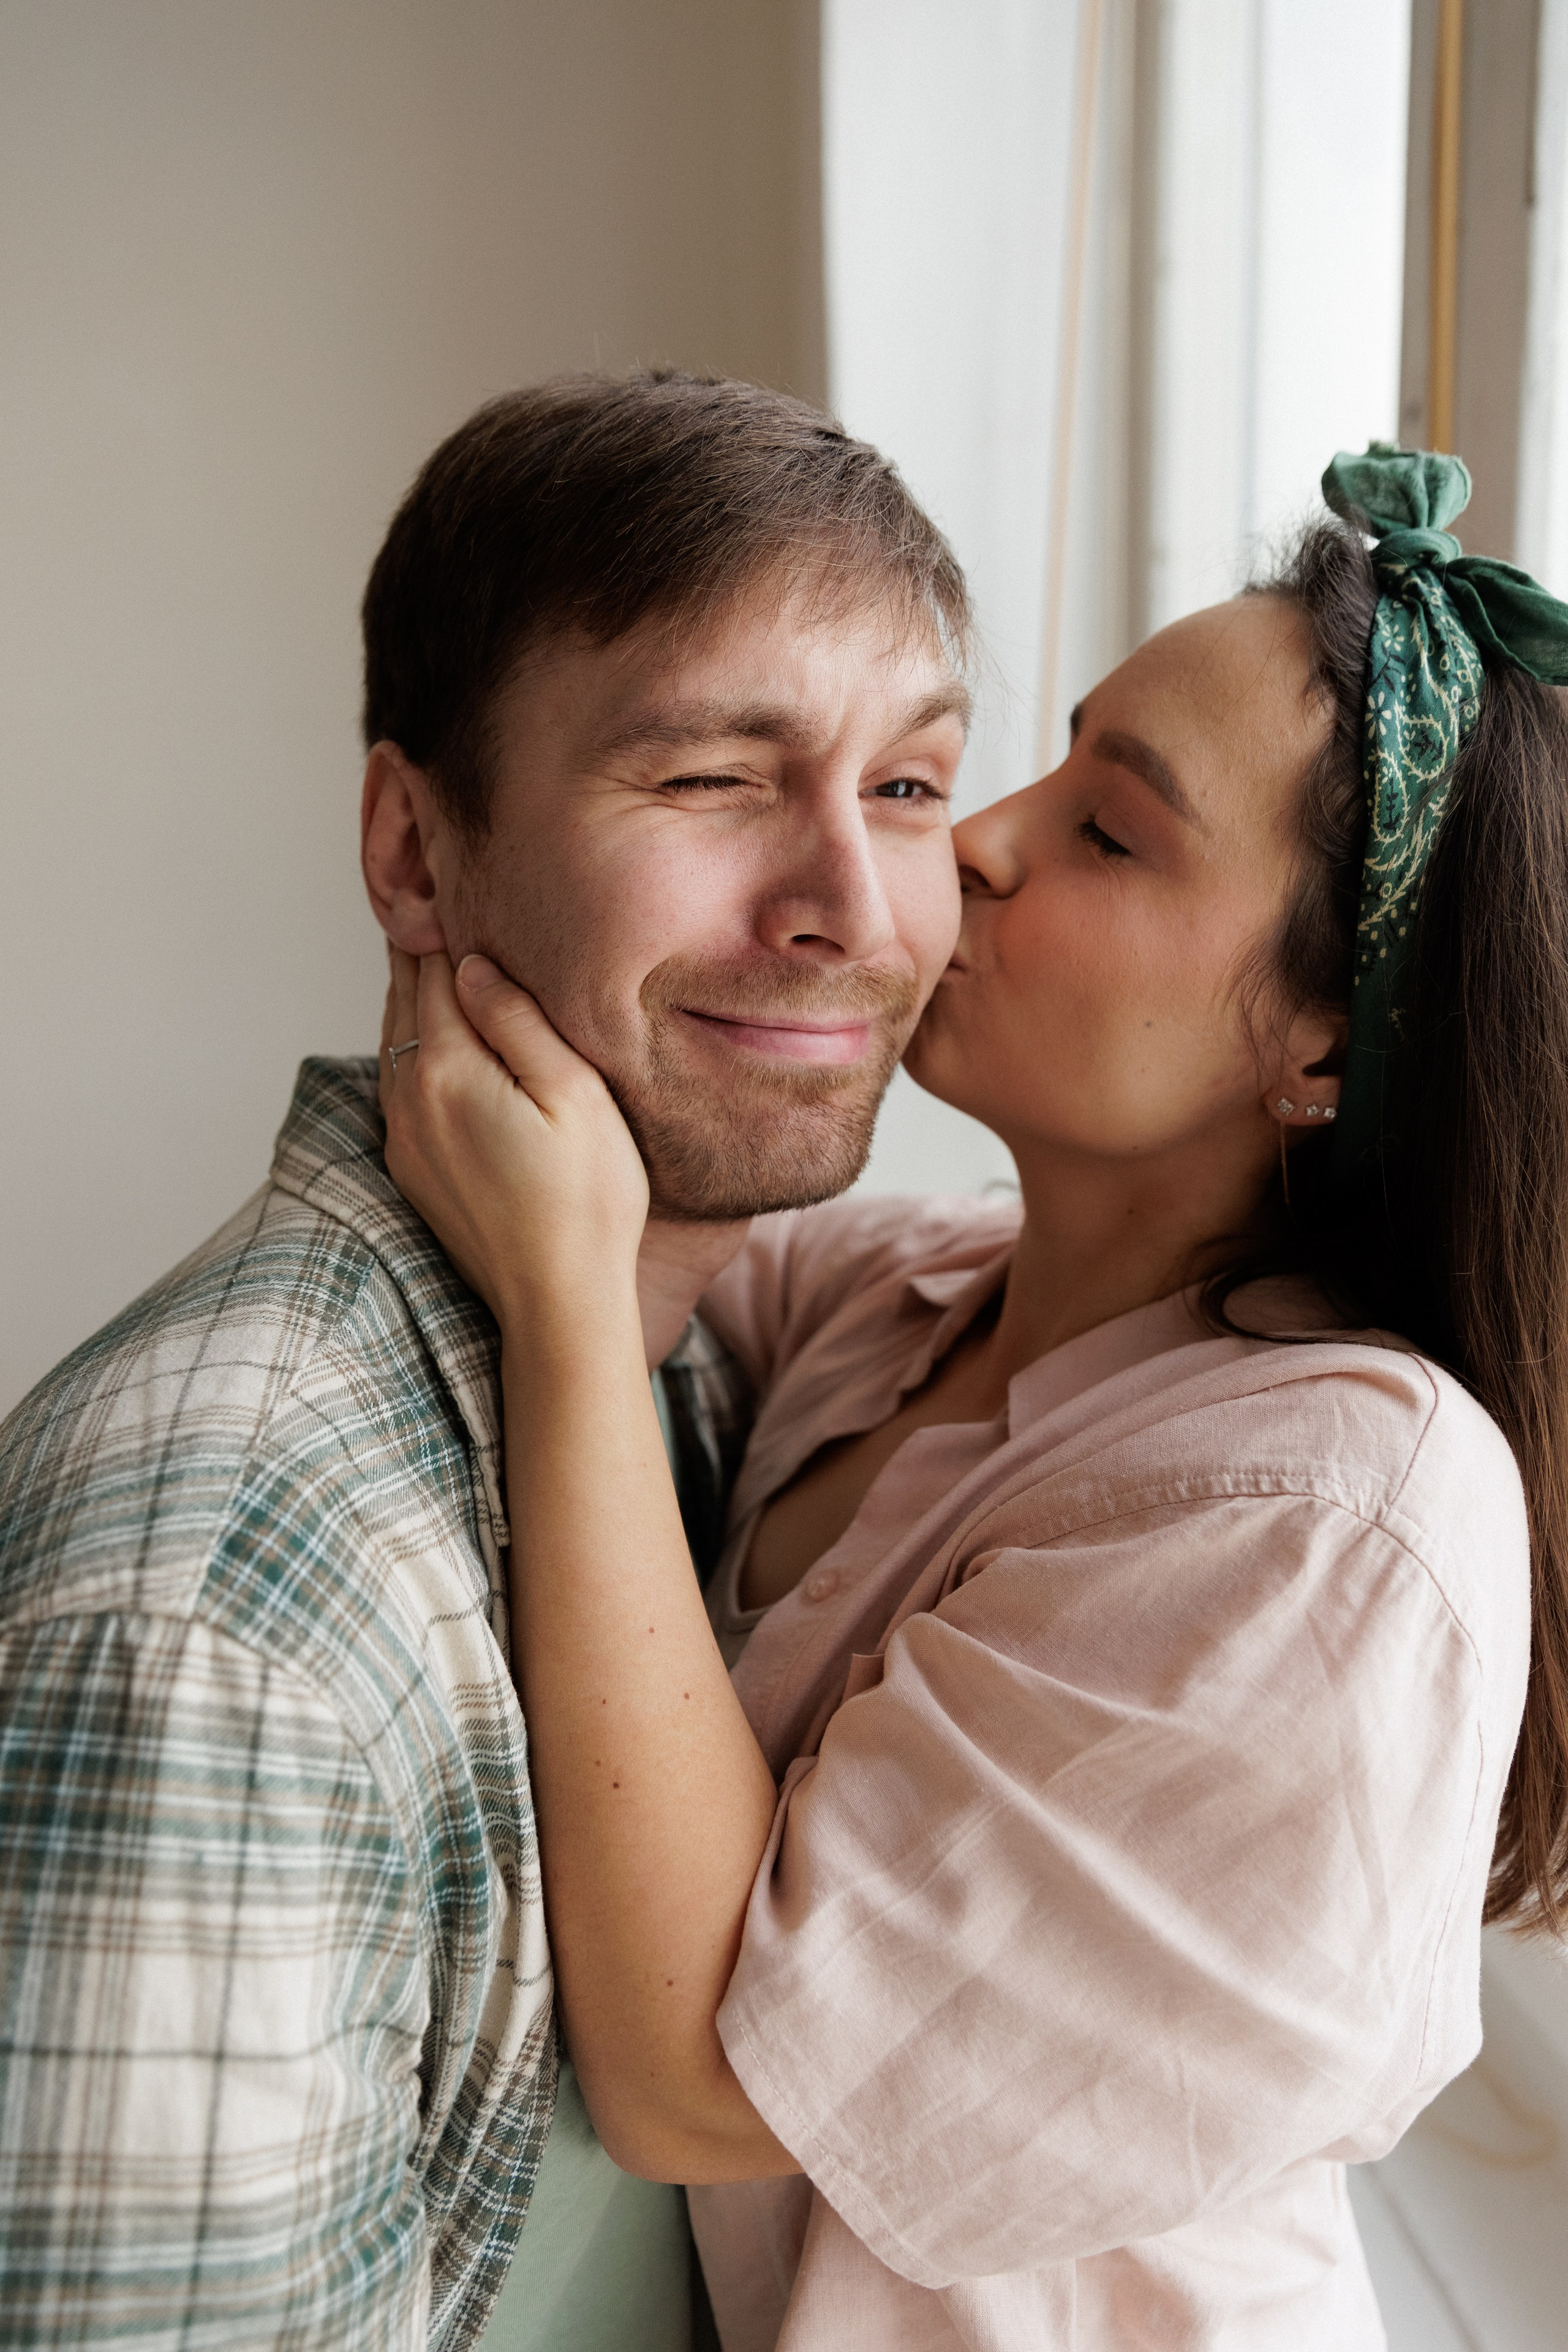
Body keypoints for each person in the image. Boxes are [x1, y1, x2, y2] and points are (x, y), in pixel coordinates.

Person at [379, 445, 1568, 2349]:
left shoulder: (1336, 1512)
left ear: (1324, 1038)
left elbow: (705, 2075)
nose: (978, 841)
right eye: (1029, 765)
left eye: (1108, 832)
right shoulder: (917, 1289)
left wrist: (572, 1329)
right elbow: (636, 1163)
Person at [0, 372, 973, 2348]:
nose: (850, 913)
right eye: (711, 779)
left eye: (909, 787)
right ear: (417, 854)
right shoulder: (213, 1635)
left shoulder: (685, 1369)